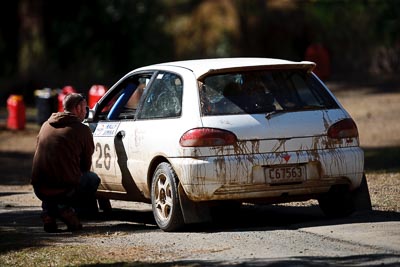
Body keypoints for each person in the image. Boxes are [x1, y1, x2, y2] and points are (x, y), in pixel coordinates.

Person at [31, 93, 100, 233]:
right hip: (64, 188)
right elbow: (85, 166)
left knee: (53, 179)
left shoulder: (46, 125)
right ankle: (67, 210)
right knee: (91, 179)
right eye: (85, 107)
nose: (86, 110)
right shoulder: (82, 130)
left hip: (39, 187)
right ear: (78, 108)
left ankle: (49, 212)